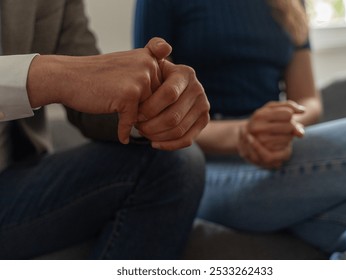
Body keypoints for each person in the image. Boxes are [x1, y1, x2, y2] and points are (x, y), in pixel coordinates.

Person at [134, 0, 346, 259]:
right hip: (204, 168)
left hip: (278, 156)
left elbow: (308, 100)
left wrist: (283, 125)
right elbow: (154, 116)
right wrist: (243, 134)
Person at [0, 0, 210, 259]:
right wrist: (50, 76)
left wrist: (150, 102)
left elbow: (87, 87)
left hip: (13, 183)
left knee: (174, 164)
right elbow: (69, 74)